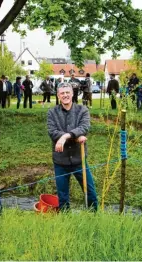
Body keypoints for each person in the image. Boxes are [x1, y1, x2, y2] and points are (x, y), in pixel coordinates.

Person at [47, 82, 98, 211]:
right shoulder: (52, 113)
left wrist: (65, 137)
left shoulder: (83, 110)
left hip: (79, 160)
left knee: (90, 191)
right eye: (62, 93)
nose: (65, 95)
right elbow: (53, 132)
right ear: (58, 95)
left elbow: (84, 127)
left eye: (67, 92)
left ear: (72, 93)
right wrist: (76, 136)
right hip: (60, 161)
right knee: (63, 196)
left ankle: (94, 217)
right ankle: (66, 219)